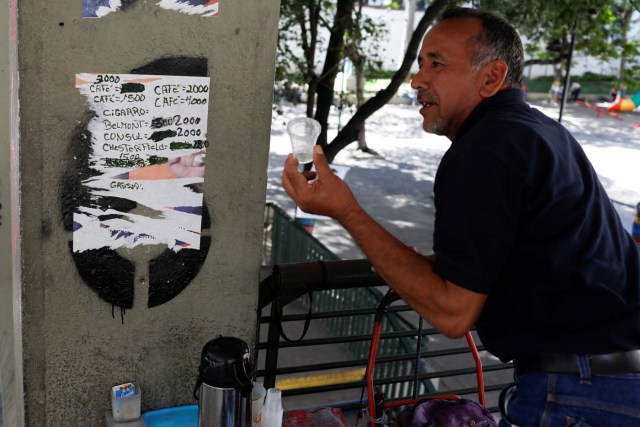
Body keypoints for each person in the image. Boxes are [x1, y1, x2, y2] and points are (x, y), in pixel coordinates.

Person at [282, 7, 640, 426]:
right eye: (419, 64)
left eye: (437, 63)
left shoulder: (486, 149)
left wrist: (345, 209)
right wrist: (418, 264)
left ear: (491, 77)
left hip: (581, 392)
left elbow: (454, 313)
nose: (417, 80)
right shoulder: (539, 131)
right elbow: (514, 258)